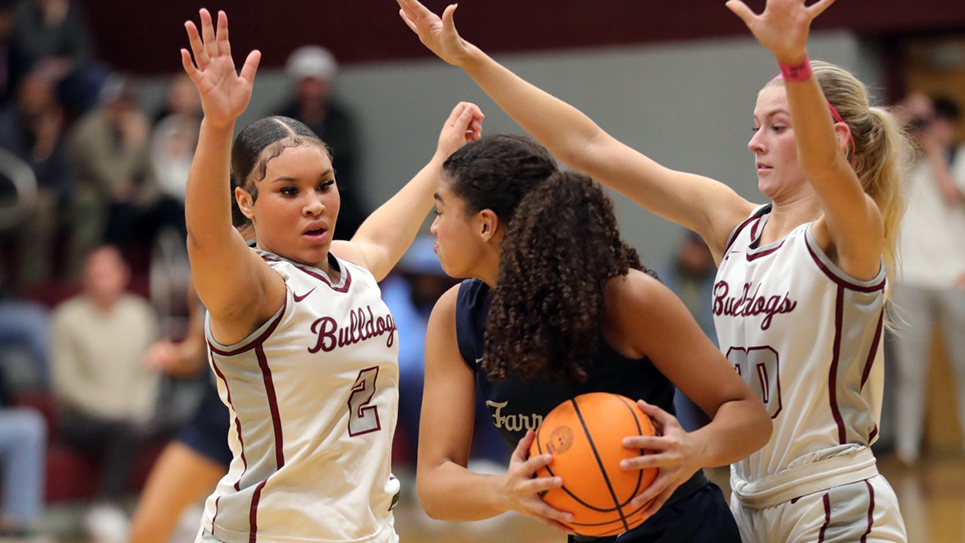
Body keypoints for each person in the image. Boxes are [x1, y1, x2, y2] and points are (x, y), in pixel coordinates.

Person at [397, 0, 909, 540]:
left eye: (778, 127)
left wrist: (793, 60)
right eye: (755, 125)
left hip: (832, 494)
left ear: (838, 139)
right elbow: (587, 147)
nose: (755, 141)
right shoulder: (732, 224)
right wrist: (468, 57)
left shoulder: (852, 233)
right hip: (749, 500)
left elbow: (826, 167)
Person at [179, 9, 483, 542]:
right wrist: (217, 126)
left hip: (368, 530)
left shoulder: (350, 267)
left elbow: (379, 240)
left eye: (324, 184)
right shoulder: (255, 288)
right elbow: (205, 238)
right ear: (245, 203)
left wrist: (442, 159)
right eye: (289, 191)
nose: (315, 204)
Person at [417, 134, 770, 541]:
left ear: (485, 224)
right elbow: (434, 485)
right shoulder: (455, 317)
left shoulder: (626, 298)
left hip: (684, 529)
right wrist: (506, 491)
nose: (434, 228)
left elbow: (750, 418)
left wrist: (694, 450)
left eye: (440, 210)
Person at [49, 244, 160, 542]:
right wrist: (112, 409)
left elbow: (149, 373)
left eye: (107, 274)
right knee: (121, 430)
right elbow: (66, 384)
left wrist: (137, 407)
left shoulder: (140, 312)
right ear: (85, 279)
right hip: (83, 418)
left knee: (179, 419)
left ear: (123, 275)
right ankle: (105, 507)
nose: (101, 281)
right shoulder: (67, 317)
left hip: (133, 413)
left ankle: (174, 506)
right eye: (95, 275)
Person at [889, 93, 965, 465]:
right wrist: (906, 113)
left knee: (963, 366)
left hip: (955, 278)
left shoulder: (958, 158)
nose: (933, 129)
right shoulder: (903, 163)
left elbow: (952, 194)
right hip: (909, 278)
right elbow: (876, 138)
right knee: (909, 370)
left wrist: (934, 150)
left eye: (939, 122)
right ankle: (907, 450)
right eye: (928, 122)